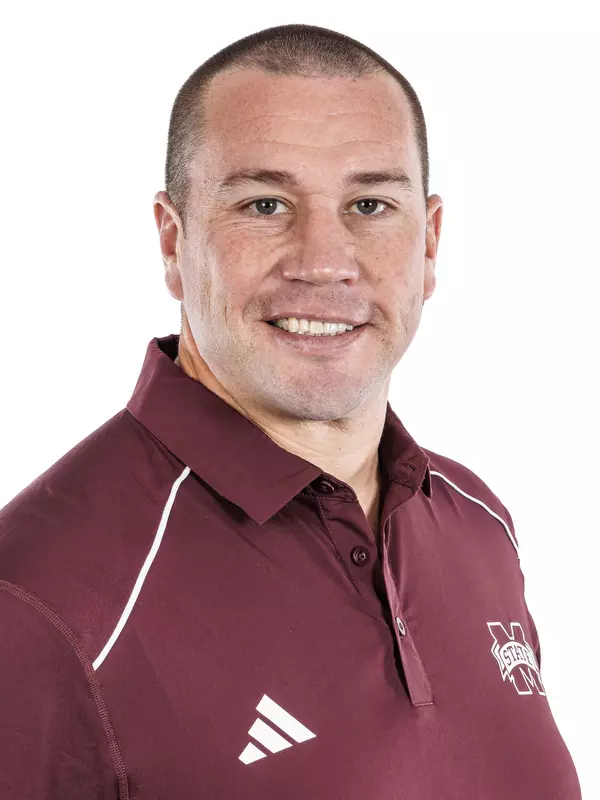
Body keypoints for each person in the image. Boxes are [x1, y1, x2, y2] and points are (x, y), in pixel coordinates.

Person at [0, 22, 581, 800]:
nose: (324, 261)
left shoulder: (479, 523)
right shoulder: (40, 598)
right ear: (173, 243)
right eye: (266, 203)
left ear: (430, 243)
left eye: (370, 204)